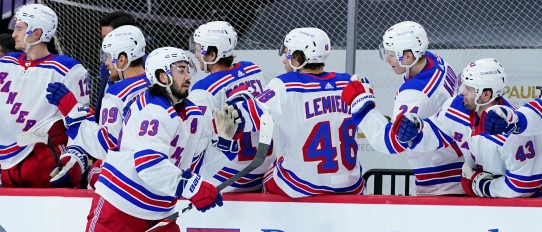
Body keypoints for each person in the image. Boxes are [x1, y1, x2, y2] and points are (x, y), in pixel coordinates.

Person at [30, 47, 224, 232]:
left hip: (159, 210)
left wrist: (218, 155)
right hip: (120, 205)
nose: (188, 76)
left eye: (188, 69)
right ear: (162, 76)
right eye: (181, 70)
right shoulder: (152, 111)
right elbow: (149, 165)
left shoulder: (189, 111)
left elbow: (190, 161)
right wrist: (191, 187)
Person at [0, 4, 90, 188]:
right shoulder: (4, 63)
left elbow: (81, 119)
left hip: (45, 159)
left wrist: (75, 156)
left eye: (19, 28)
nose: (14, 34)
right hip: (7, 164)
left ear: (37, 33)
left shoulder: (68, 69)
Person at [225, 27, 363, 197]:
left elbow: (251, 115)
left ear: (299, 58)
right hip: (351, 186)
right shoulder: (347, 82)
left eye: (288, 55)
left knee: (267, 174)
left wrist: (233, 110)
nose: (284, 60)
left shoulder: (285, 84)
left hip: (302, 186)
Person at [388, 58, 542, 197]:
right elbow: (437, 132)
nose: (462, 92)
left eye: (468, 88)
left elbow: (522, 186)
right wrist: (417, 131)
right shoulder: (456, 107)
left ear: (486, 95)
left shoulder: (511, 132)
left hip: (528, 206)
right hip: (488, 201)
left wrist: (483, 186)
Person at [342, 21, 464, 195]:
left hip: (441, 182)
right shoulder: (435, 60)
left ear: (408, 56)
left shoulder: (415, 93)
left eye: (391, 54)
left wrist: (362, 109)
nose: (386, 59)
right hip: (456, 167)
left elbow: (391, 143)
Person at [189, 21, 274, 192]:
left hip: (230, 177)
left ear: (212, 55)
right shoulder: (253, 69)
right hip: (264, 167)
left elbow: (198, 141)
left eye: (199, 49)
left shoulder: (203, 89)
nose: (196, 55)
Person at [68, 25, 150, 187]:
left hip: (129, 180)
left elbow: (107, 146)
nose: (105, 63)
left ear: (122, 59)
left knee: (94, 176)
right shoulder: (159, 83)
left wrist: (78, 125)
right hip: (157, 170)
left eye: (108, 57)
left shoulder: (117, 93)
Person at [95, 11, 140, 121]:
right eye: (103, 38)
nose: (104, 43)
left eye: (108, 37)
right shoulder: (107, 66)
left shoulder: (150, 71)